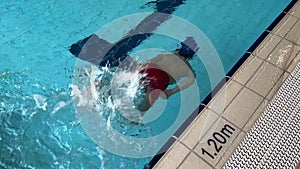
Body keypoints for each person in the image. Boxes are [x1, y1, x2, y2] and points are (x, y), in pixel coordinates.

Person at [136, 37, 199, 114]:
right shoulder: (186, 67)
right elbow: (191, 79)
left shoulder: (166, 55)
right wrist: (171, 92)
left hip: (151, 69)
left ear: (181, 46)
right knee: (147, 103)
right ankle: (138, 116)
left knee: (137, 84)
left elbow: (151, 61)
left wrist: (142, 67)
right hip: (161, 80)